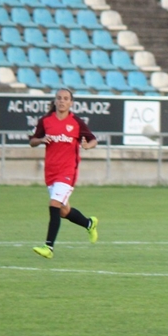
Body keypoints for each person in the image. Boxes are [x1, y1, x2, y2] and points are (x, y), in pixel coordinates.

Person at [28, 88, 98, 259]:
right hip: (51, 172)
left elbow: (93, 140)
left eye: (66, 98)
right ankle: (89, 223)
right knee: (63, 211)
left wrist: (87, 146)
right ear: (55, 101)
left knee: (54, 204)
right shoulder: (46, 121)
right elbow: (32, 141)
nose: (62, 101)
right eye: (59, 98)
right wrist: (41, 140)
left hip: (68, 172)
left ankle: (48, 247)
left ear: (71, 103)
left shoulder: (76, 122)